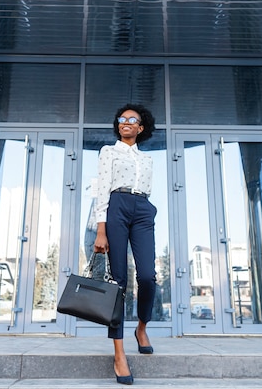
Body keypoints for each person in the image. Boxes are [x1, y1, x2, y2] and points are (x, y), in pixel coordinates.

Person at [94, 104, 157, 385]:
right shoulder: (109, 152)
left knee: (147, 276)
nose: (126, 122)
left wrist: (145, 208)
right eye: (122, 119)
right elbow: (101, 189)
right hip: (116, 206)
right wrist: (101, 230)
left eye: (132, 120)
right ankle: (119, 353)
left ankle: (141, 326)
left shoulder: (148, 160)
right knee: (118, 282)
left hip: (142, 208)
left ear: (141, 128)